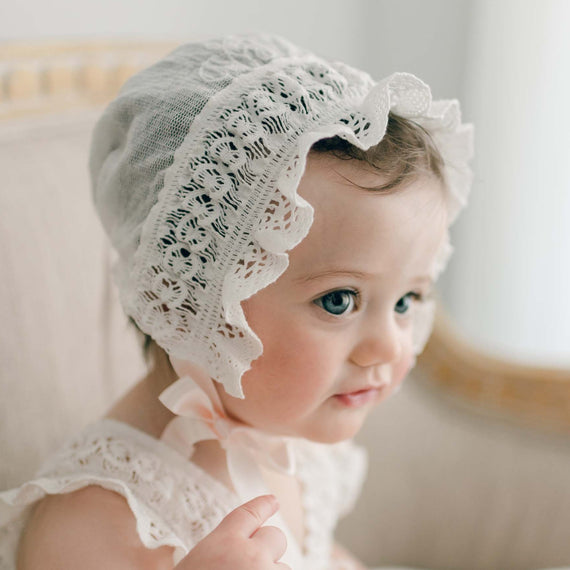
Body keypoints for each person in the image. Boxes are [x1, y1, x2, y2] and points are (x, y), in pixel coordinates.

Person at [0, 34, 472, 570]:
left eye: (408, 299)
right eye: (340, 301)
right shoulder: (99, 518)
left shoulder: (285, 438)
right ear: (192, 299)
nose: (390, 344)